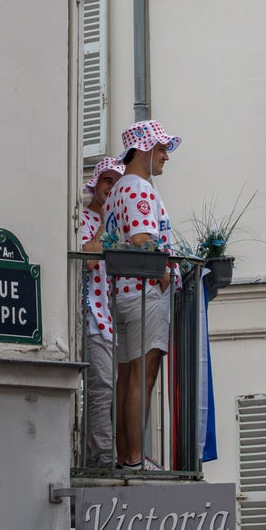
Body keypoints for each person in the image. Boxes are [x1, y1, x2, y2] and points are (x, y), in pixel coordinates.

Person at [102, 120, 182, 470]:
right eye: (161, 148)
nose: (166, 156)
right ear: (143, 149)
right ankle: (135, 458)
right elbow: (141, 239)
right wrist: (165, 274)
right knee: (143, 375)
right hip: (145, 291)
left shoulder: (119, 188)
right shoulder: (138, 188)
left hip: (123, 293)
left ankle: (126, 456)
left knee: (128, 377)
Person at [80, 156, 125, 467]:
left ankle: (121, 453)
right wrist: (106, 221)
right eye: (107, 181)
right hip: (95, 316)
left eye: (116, 182)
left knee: (120, 390)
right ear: (96, 185)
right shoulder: (83, 219)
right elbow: (89, 260)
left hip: (120, 318)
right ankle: (105, 458)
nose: (111, 187)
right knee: (103, 388)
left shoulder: (124, 224)